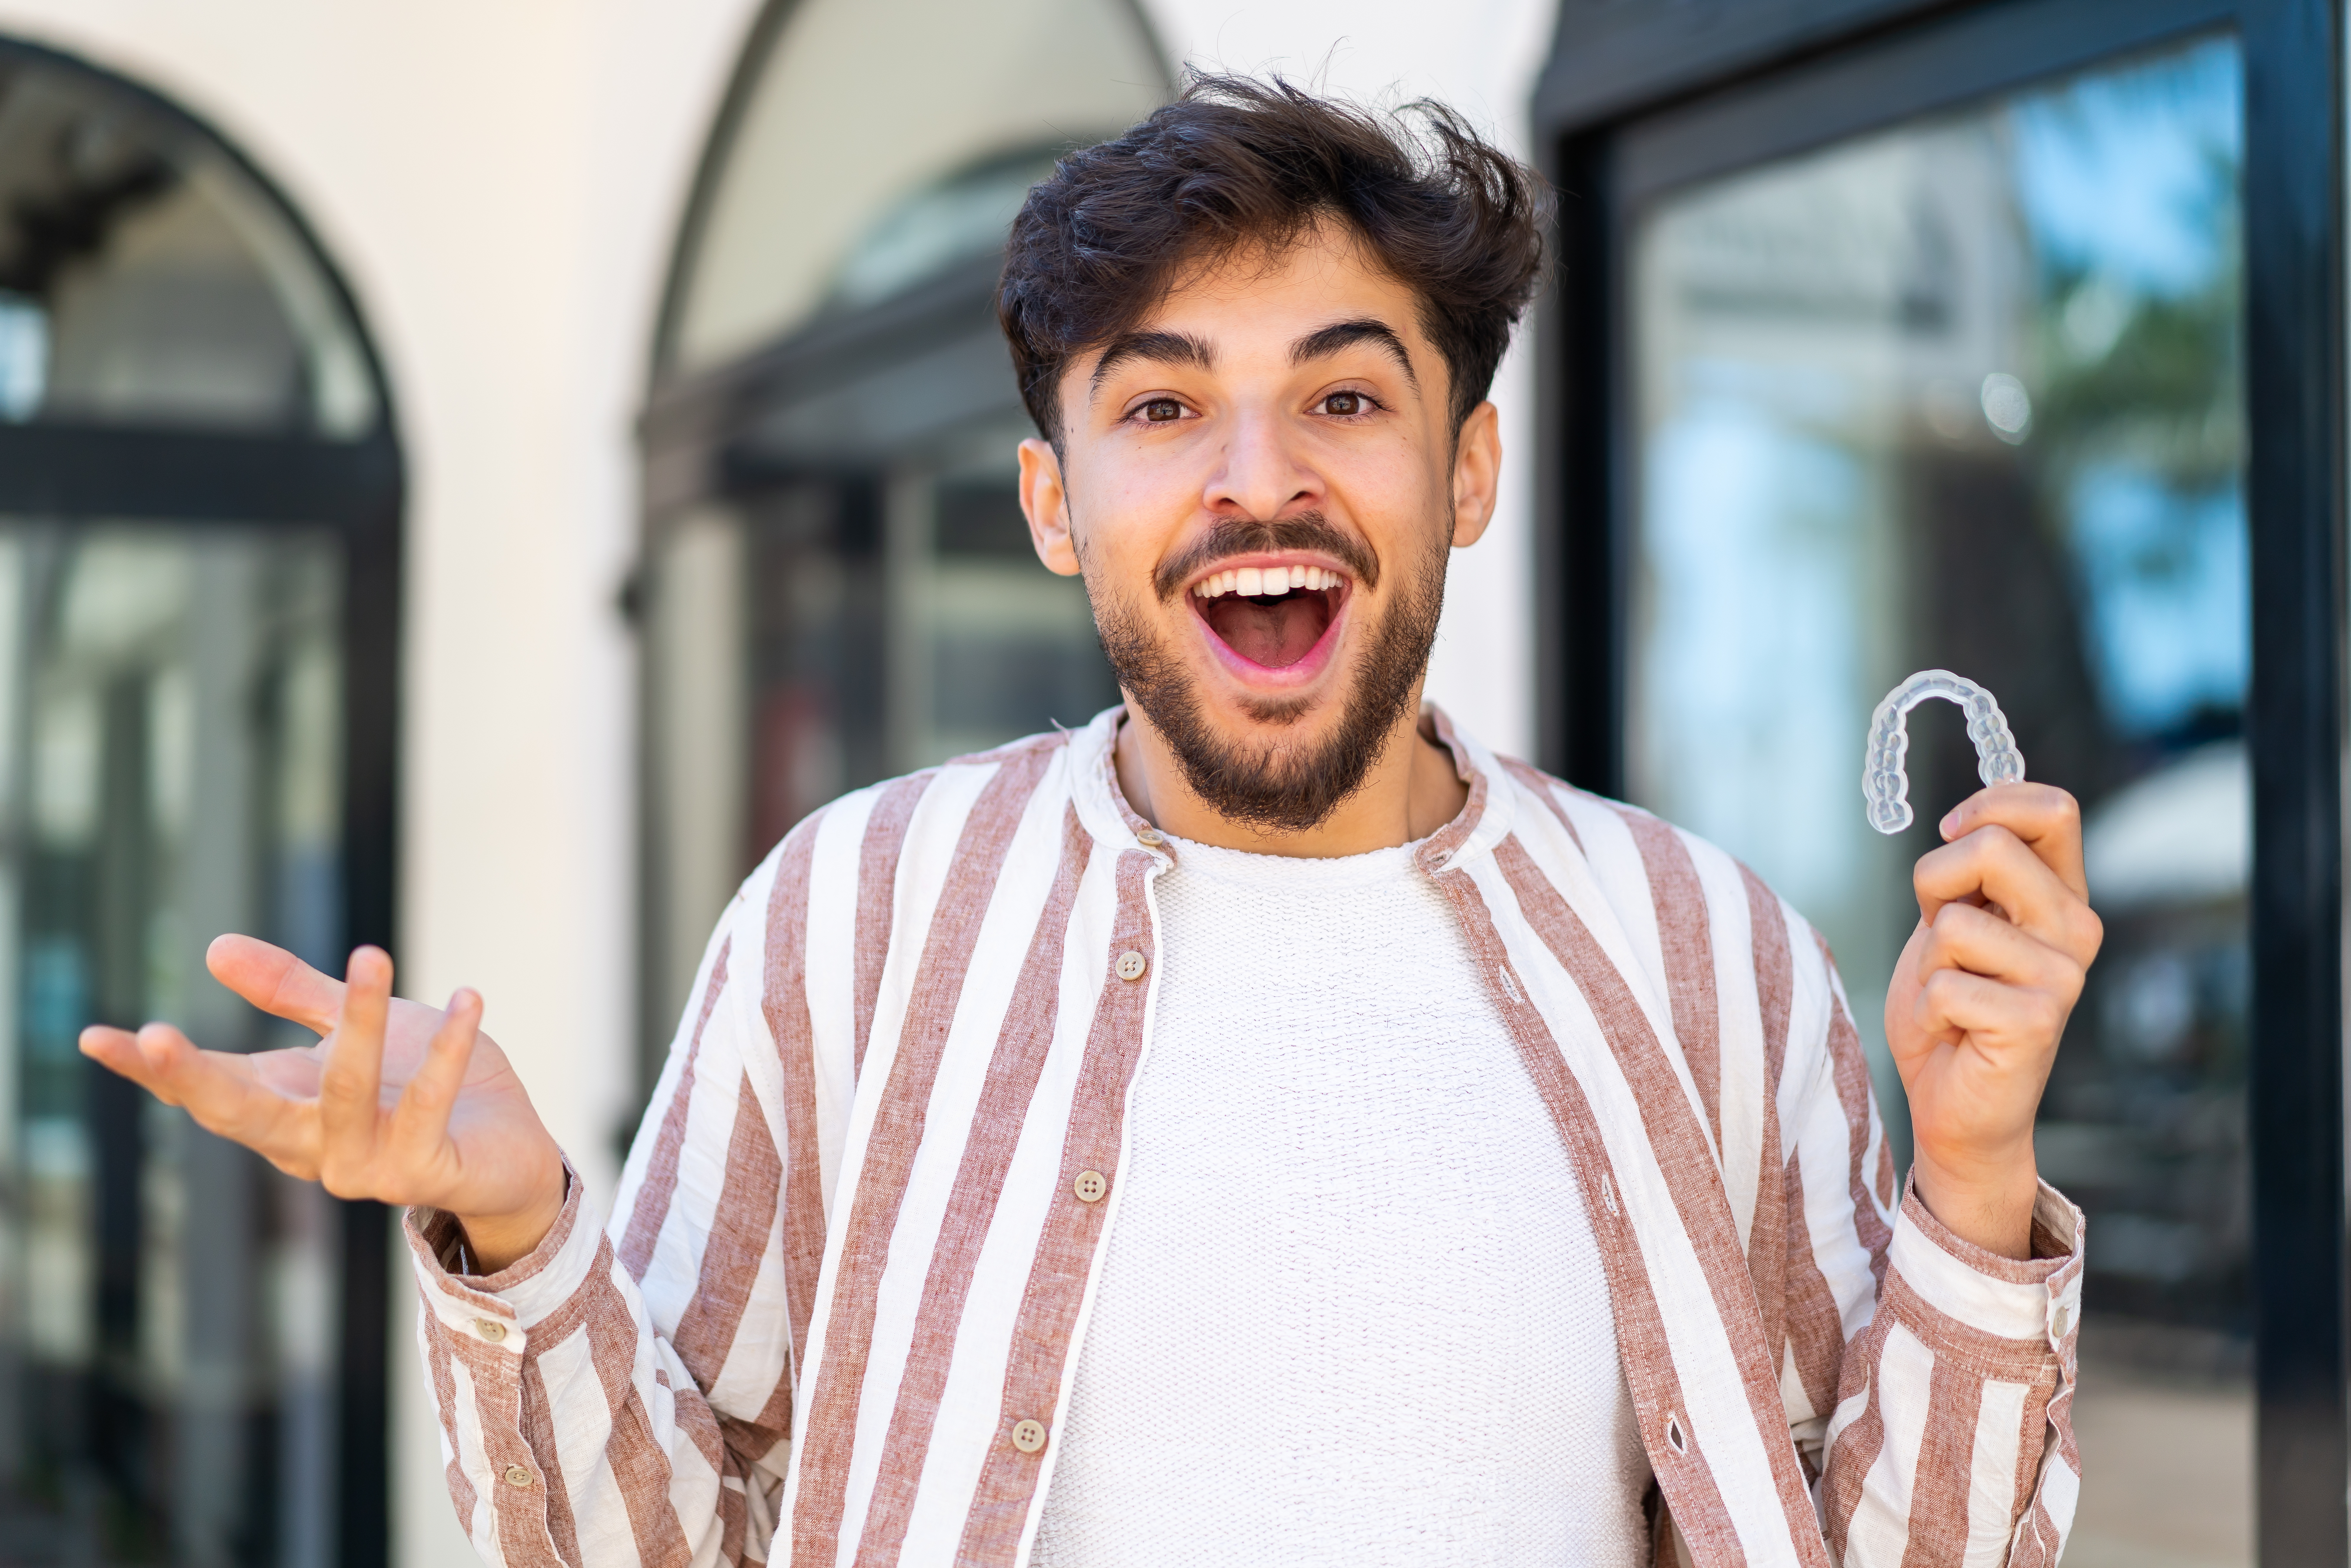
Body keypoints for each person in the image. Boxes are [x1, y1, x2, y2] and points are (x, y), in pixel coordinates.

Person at [80, 76, 2100, 1568]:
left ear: (1467, 469)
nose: (1258, 477)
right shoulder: (849, 921)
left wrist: (1981, 1164)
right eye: (1158, 407)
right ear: (1055, 504)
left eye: (1345, 396)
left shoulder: (1711, 951)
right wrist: (520, 1230)